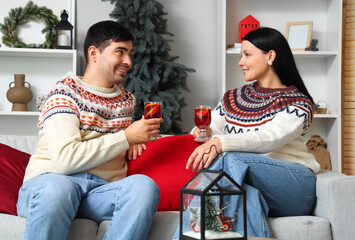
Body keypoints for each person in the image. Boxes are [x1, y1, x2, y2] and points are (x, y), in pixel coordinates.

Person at [16, 20, 163, 240]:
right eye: (120, 52)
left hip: (99, 193)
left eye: (130, 53)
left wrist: (135, 139)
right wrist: (126, 137)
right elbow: (66, 160)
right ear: (94, 53)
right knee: (59, 189)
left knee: (144, 187)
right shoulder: (64, 93)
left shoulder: (126, 100)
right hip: (50, 185)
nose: (128, 61)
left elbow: (117, 141)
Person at [173, 27, 320, 238]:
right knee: (247, 197)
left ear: (270, 56)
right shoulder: (233, 97)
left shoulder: (298, 103)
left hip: (294, 186)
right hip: (248, 183)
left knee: (230, 159)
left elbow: (269, 137)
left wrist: (219, 143)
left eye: (247, 55)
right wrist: (203, 132)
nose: (240, 62)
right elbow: (213, 128)